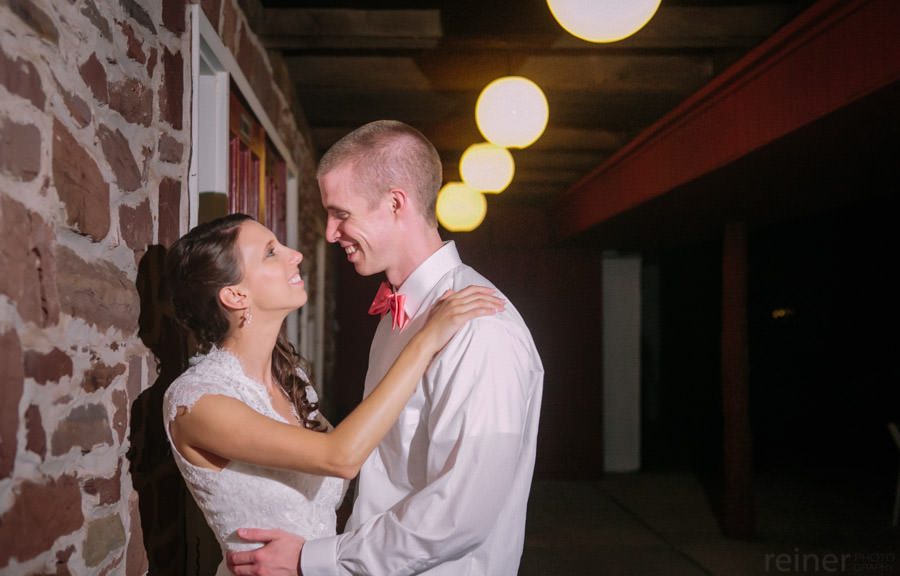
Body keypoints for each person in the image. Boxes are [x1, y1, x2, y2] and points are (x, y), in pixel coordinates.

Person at [228, 120, 544, 575]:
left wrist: (312, 559)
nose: (332, 233)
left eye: (342, 214)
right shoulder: (400, 313)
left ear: (396, 203)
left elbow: (460, 513)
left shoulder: (481, 327)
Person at [162, 213, 503, 576]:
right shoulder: (196, 403)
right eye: (271, 253)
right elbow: (341, 456)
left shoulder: (288, 379)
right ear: (235, 295)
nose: (295, 255)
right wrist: (425, 341)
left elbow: (359, 443)